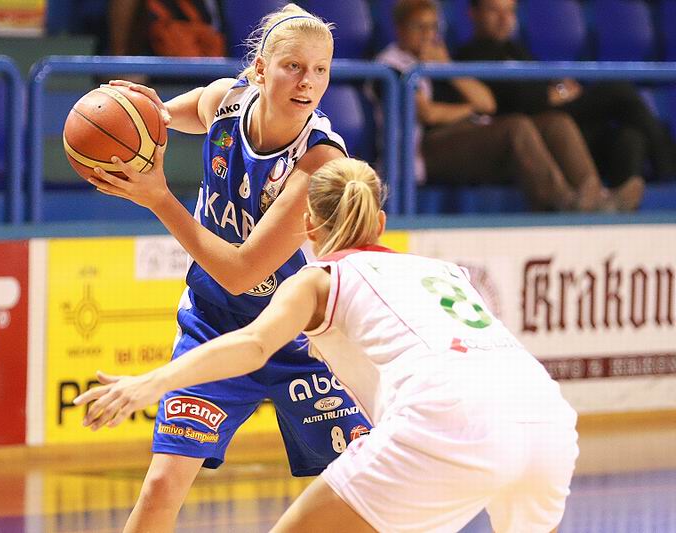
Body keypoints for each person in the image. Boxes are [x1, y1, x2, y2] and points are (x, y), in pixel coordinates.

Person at [75, 157, 580, 533]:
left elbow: (251, 345)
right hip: (547, 417)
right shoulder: (445, 272)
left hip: (444, 419)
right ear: (380, 224)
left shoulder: (321, 278)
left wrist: (149, 384)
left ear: (308, 228)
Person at [82, 4, 372, 531]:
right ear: (259, 69)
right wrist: (139, 114)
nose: (308, 82)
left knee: (365, 494)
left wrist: (159, 198)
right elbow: (178, 113)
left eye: (321, 69)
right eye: (293, 67)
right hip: (214, 325)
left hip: (303, 342)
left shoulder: (319, 163)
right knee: (161, 484)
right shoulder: (227, 101)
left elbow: (241, 272)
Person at [376, 0, 615, 212]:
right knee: (515, 127)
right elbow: (428, 114)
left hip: (463, 135)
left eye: (433, 27)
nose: (428, 35)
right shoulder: (390, 65)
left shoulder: (437, 60)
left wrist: (447, 67)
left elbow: (487, 103)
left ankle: (595, 197)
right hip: (422, 150)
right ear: (400, 29)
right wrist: (470, 109)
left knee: (555, 122)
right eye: (419, 27)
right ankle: (561, 203)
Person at [455, 0, 676, 211]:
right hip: (537, 126)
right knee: (617, 90)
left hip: (560, 122)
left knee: (629, 137)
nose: (504, 19)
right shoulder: (469, 55)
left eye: (510, 11)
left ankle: (618, 212)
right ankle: (669, 169)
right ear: (473, 14)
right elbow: (513, 101)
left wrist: (556, 89)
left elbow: (541, 84)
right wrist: (552, 93)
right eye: (494, 11)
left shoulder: (515, 48)